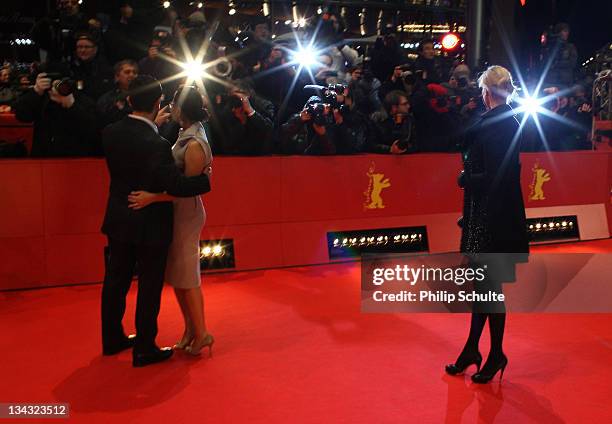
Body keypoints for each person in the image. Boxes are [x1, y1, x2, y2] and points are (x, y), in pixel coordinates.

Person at [101, 75, 212, 367]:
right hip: (151, 223)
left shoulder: (110, 132)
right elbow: (177, 185)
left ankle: (112, 339)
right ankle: (145, 347)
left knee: (115, 281)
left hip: (119, 217)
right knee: (149, 286)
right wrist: (204, 182)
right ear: (157, 103)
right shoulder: (158, 143)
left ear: (128, 100)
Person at [445, 66, 528, 383]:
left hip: (494, 219)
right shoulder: (501, 122)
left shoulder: (500, 125)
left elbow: (499, 176)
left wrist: (466, 178)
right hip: (488, 215)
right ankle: (475, 351)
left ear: (486, 92)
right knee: (484, 290)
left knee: (488, 291)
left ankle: (493, 354)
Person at [97, 60, 139, 128]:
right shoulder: (107, 99)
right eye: (127, 72)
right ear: (117, 77)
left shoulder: (144, 96)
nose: (132, 75)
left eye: (135, 72)